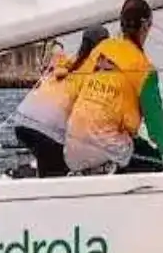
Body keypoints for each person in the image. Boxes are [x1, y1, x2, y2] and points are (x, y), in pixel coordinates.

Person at [63, 0, 163, 174]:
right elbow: (156, 124)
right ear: (145, 26)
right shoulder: (144, 69)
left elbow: (74, 88)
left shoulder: (101, 48)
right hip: (107, 148)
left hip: (72, 148)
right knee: (154, 160)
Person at [11, 24, 107, 177]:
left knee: (49, 165)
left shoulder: (69, 62)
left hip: (22, 120)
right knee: (59, 173)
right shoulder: (94, 72)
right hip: (48, 130)